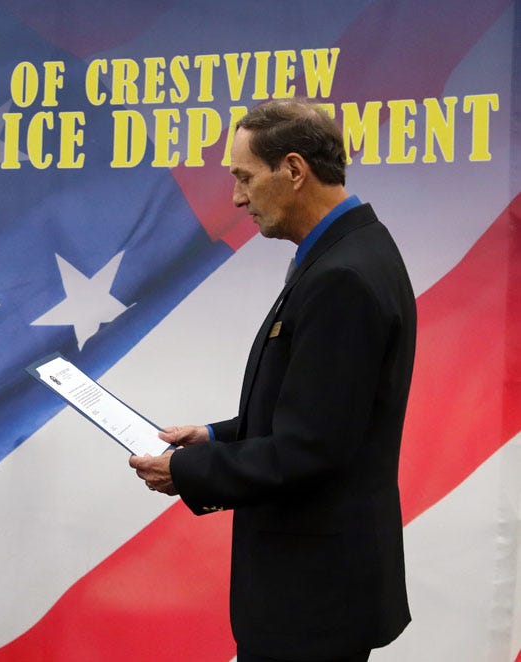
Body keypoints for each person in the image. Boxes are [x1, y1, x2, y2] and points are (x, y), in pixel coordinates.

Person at [130, 99, 416, 662]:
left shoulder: (343, 276)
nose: (237, 197)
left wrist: (187, 470)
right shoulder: (347, 253)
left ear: (292, 169)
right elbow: (315, 411)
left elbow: (311, 449)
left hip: (312, 599)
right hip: (317, 588)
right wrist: (214, 438)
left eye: (243, 177)